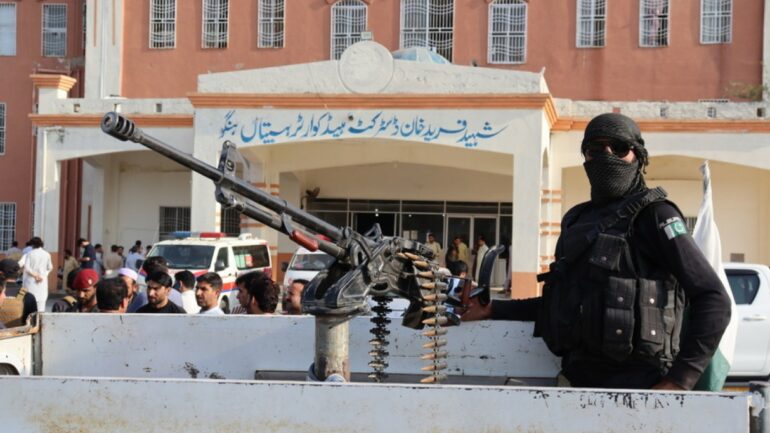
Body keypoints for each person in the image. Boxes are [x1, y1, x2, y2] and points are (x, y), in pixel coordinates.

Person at [461, 113, 732, 391]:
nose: (607, 155)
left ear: (638, 157)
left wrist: (679, 380)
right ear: (586, 156)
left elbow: (714, 299)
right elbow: (559, 305)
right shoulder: (576, 220)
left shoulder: (657, 216)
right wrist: (492, 308)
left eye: (619, 148)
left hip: (642, 388)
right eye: (595, 148)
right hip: (577, 384)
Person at [18, 237, 53, 312]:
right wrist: (43, 276)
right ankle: (40, 318)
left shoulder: (30, 254)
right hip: (42, 281)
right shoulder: (47, 254)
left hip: (31, 282)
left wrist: (35, 276)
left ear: (32, 245)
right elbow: (50, 268)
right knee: (41, 304)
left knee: (30, 303)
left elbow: (27, 268)